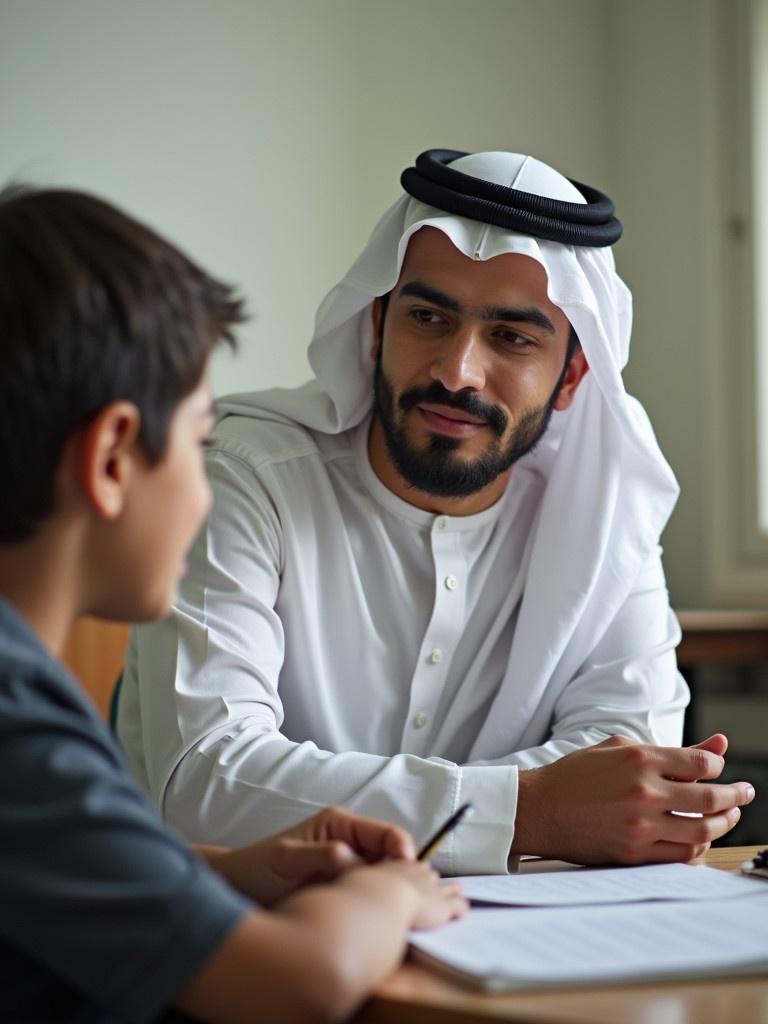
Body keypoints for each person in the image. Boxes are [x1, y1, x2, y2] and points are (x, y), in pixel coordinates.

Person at [117, 149, 756, 874]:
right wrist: (533, 809)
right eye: (428, 317)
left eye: (512, 337)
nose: (457, 372)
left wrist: (513, 811)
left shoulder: (604, 505)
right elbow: (205, 781)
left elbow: (633, 771)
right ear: (376, 325)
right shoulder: (243, 477)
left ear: (573, 375)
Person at [0, 185, 467, 1024]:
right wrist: (390, 897)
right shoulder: (16, 720)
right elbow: (295, 981)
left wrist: (222, 871)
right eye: (197, 437)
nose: (206, 490)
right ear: (112, 457)